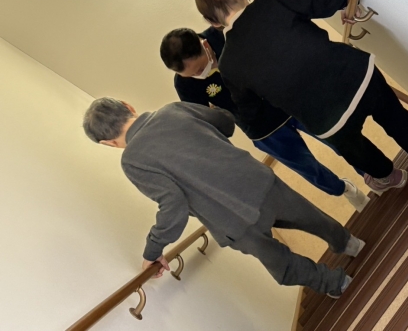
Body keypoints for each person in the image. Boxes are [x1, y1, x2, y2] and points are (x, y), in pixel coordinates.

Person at [82, 98, 366, 297]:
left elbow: (173, 204)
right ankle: (349, 243)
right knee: (309, 217)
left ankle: (336, 283)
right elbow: (225, 122)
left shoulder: (132, 161)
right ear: (128, 106)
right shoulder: (173, 110)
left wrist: (152, 250)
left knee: (282, 264)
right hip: (257, 181)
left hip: (231, 219)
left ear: (108, 143)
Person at [193, 0, 408, 194]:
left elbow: (250, 112)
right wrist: (348, 5)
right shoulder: (270, 1)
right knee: (396, 119)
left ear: (212, 22)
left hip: (324, 118)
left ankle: (391, 177)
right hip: (357, 75)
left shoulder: (229, 65)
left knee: (355, 150)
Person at [160, 26, 369, 211]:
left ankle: (372, 173)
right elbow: (206, 119)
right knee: (309, 168)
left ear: (205, 45)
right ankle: (344, 189)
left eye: (199, 69)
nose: (199, 75)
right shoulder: (184, 84)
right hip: (262, 130)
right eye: (192, 75)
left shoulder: (225, 36)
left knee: (340, 139)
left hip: (288, 100)